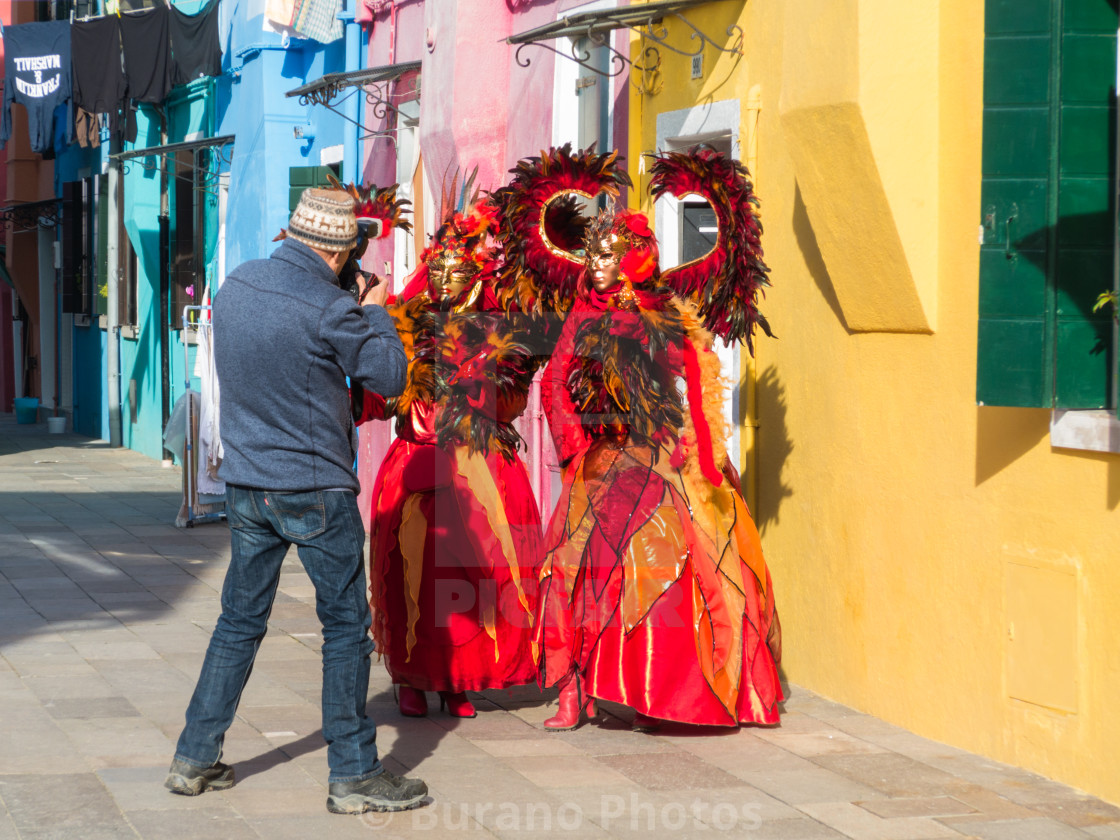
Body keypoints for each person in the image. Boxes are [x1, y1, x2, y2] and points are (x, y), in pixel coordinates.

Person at [164, 187, 428, 815]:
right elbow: (389, 378)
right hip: (313, 487)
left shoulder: (238, 285)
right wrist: (377, 311)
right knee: (344, 630)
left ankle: (194, 757)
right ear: (340, 252)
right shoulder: (330, 307)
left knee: (238, 621)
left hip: (249, 485)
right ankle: (355, 774)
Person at [534, 208, 783, 731]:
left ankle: (663, 692)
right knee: (574, 569)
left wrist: (699, 445)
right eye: (592, 255)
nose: (595, 265)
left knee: (666, 561)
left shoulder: (658, 311)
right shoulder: (581, 313)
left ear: (628, 259)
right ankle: (574, 690)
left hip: (658, 452)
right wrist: (573, 448)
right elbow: (555, 381)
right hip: (599, 457)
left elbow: (690, 372)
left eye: (606, 255)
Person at [355, 195, 542, 718]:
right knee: (412, 574)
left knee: (469, 576)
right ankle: (411, 678)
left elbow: (508, 404)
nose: (448, 278)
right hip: (417, 467)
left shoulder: (493, 332)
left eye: (459, 269)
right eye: (439, 267)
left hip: (477, 468)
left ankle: (458, 680)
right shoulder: (406, 326)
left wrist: (500, 372)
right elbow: (380, 390)